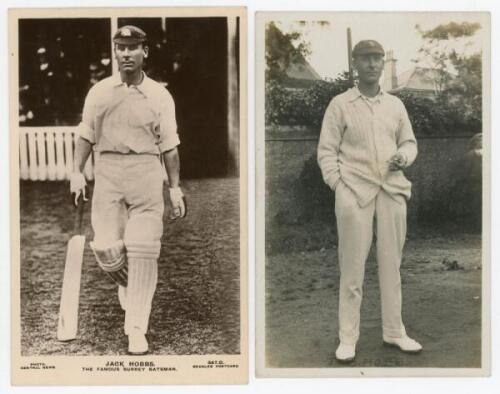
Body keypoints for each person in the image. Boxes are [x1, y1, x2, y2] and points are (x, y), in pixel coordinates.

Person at [69, 25, 186, 355]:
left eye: (133, 47)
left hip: (146, 173)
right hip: (108, 173)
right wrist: (77, 173)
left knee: (143, 248)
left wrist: (175, 189)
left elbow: (170, 147)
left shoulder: (160, 96)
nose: (126, 53)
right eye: (120, 47)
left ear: (144, 52)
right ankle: (128, 284)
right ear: (115, 52)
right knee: (105, 247)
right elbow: (86, 135)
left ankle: (136, 328)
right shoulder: (100, 92)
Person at [317, 40, 422, 363]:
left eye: (377, 58)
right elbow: (326, 152)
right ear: (355, 64)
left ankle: (394, 332)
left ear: (382, 62)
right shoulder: (340, 104)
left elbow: (409, 141)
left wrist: (404, 155)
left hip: (391, 190)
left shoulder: (395, 105)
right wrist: (340, 188)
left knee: (392, 265)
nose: (373, 64)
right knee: (352, 268)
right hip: (354, 193)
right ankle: (348, 338)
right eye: (366, 59)